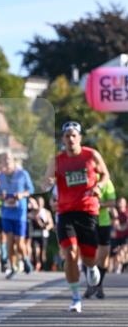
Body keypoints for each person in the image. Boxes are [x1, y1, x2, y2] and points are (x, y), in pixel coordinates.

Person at [42, 121, 109, 313]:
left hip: (88, 211)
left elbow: (105, 175)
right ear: (63, 139)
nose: (70, 139)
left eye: (74, 135)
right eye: (67, 136)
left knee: (89, 258)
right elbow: (46, 181)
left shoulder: (91, 155)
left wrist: (98, 187)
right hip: (66, 212)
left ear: (79, 138)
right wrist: (46, 183)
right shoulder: (57, 160)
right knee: (70, 253)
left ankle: (91, 267)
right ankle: (75, 297)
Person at [0, 152, 35, 277]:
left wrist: (21, 195)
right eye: (4, 159)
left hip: (20, 212)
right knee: (9, 241)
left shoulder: (22, 174)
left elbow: (31, 189)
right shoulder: (0, 176)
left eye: (8, 159)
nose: (6, 161)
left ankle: (25, 259)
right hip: (6, 212)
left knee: (19, 242)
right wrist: (0, 196)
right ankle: (12, 266)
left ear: (13, 161)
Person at [85, 176, 116, 298]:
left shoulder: (106, 181)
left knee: (104, 256)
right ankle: (90, 285)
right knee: (89, 253)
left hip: (103, 222)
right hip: (87, 221)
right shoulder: (84, 178)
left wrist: (99, 204)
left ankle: (99, 285)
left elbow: (112, 202)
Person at [29, 196, 54, 272]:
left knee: (42, 252)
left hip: (43, 235)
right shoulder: (32, 212)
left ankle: (43, 266)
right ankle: (36, 264)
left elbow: (51, 224)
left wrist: (46, 228)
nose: (39, 204)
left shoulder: (46, 212)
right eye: (38, 203)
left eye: (41, 203)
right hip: (34, 234)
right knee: (35, 250)